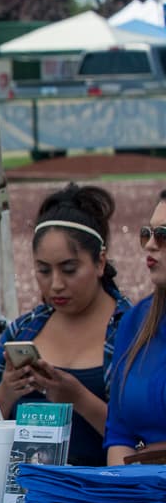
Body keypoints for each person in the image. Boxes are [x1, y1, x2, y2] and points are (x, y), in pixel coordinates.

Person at [0, 184, 131, 466]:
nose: (56, 284)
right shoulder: (21, 332)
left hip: (107, 501)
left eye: (69, 269)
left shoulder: (133, 330)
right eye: (43, 270)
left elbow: (144, 441)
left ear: (100, 262)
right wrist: (7, 392)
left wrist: (78, 399)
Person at [106, 190, 166, 464]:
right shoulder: (133, 322)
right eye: (147, 233)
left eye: (163, 235)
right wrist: (125, 499)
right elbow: (119, 436)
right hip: (141, 498)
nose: (150, 245)